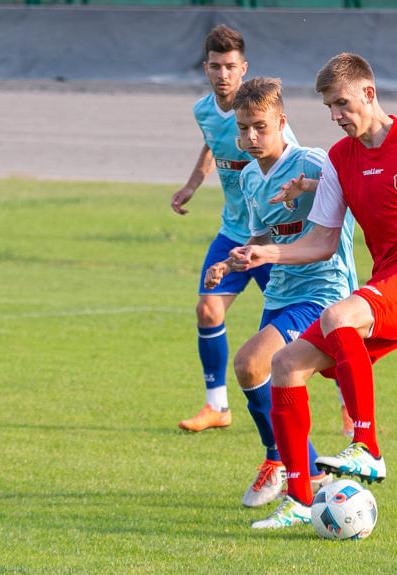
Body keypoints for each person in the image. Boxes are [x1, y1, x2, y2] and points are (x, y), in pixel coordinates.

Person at [232, 53, 397, 529]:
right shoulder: (338, 160)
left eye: (342, 104)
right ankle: (298, 498)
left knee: (336, 315)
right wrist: (264, 254)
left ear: (369, 93)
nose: (336, 116)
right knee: (285, 365)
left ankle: (368, 449)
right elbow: (321, 241)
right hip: (383, 286)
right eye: (330, 108)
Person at [203, 77, 359, 509]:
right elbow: (260, 236)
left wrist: (307, 187)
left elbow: (352, 190)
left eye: (260, 127)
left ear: (281, 122)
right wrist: (229, 262)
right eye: (243, 128)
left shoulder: (313, 162)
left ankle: (285, 463)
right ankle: (304, 469)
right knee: (268, 385)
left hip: (323, 292)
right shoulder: (251, 177)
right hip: (279, 295)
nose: (250, 137)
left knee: (250, 364)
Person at [171, 25, 300, 432]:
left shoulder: (268, 122)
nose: (222, 74)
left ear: (243, 68)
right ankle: (217, 407)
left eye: (230, 66)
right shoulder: (203, 111)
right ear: (206, 68)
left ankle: (349, 406)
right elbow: (212, 141)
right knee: (208, 309)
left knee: (306, 334)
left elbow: (293, 163)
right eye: (215, 66)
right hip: (233, 231)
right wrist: (193, 182)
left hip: (272, 238)